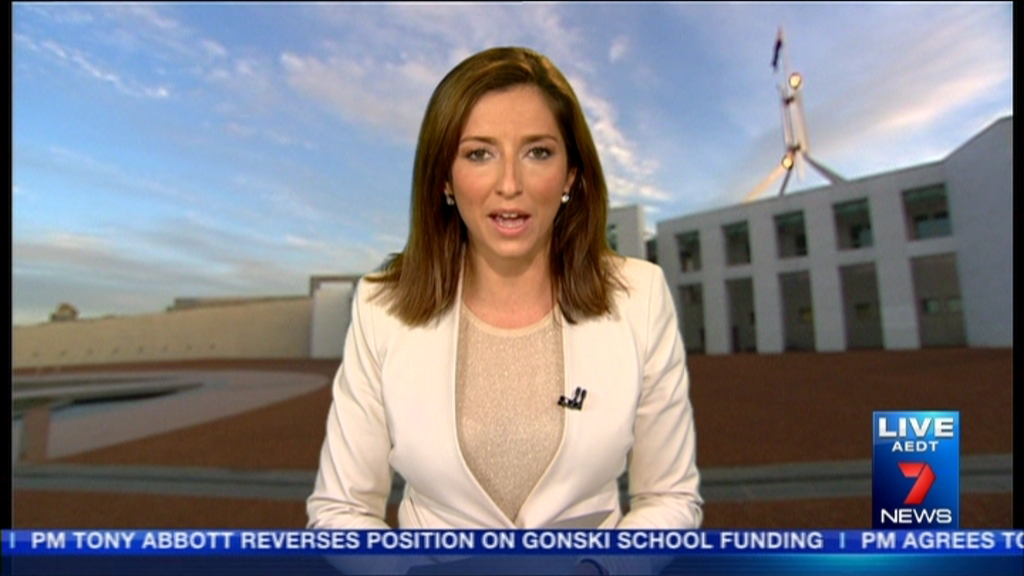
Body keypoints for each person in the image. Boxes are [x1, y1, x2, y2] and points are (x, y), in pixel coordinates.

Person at [308, 46, 702, 574]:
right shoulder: (382, 306)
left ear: (571, 175)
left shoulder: (640, 296)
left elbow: (670, 499)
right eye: (479, 154)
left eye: (537, 152)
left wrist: (600, 569)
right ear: (444, 178)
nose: (510, 184)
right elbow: (340, 512)